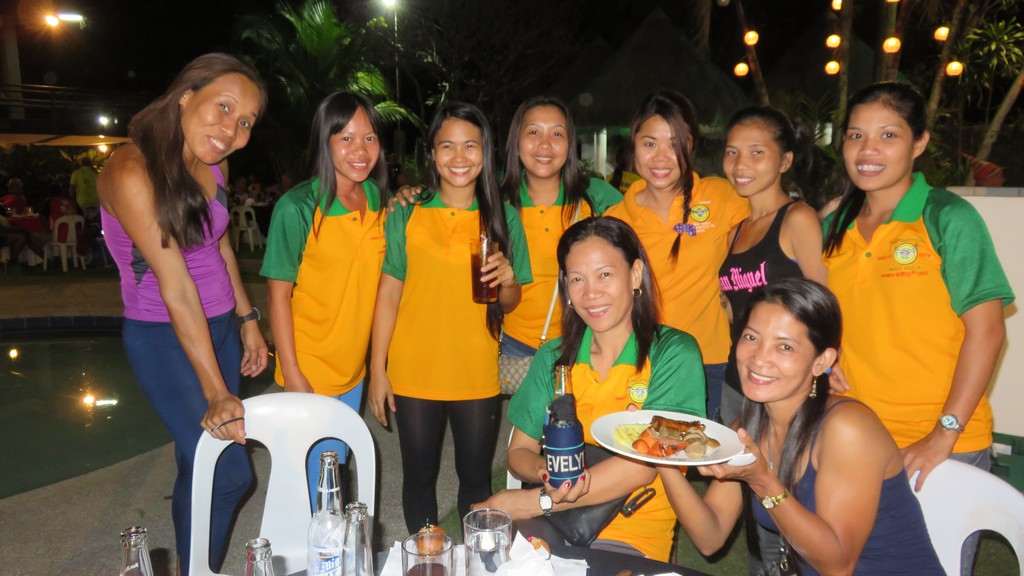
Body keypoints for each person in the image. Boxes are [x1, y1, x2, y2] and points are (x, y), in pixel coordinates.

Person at [97, 53, 269, 574]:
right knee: (231, 473)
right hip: (164, 337)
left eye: (246, 122)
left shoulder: (214, 162)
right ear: (185, 95)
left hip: (220, 326)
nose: (232, 131)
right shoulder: (130, 171)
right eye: (224, 108)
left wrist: (247, 319)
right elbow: (175, 287)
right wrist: (216, 391)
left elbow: (219, 246)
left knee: (195, 461)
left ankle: (190, 561)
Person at [659, 278, 944, 575]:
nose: (759, 358)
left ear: (822, 362)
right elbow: (710, 537)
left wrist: (762, 480)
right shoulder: (748, 427)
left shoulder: (848, 429)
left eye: (784, 347)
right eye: (751, 337)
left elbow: (837, 566)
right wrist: (661, 457)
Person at [475, 216, 705, 561]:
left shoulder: (673, 353)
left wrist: (534, 501)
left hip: (632, 534)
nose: (591, 293)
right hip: (550, 526)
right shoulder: (554, 356)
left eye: (605, 275)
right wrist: (545, 472)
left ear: (635, 274)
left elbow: (642, 466)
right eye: (577, 279)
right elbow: (519, 450)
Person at [823, 82, 1014, 486]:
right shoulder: (831, 227)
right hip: (850, 433)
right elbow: (810, 313)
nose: (867, 150)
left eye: (888, 135)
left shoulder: (948, 217)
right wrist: (823, 357)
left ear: (919, 143)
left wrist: (944, 433)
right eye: (856, 136)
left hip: (940, 446)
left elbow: (988, 332)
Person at [369, 102, 532, 532]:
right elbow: (389, 292)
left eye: (470, 146)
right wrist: (377, 369)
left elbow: (510, 302)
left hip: (475, 366)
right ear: (432, 153)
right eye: (447, 146)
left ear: (486, 153)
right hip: (413, 366)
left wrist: (508, 279)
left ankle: (479, 557)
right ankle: (428, 560)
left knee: (475, 478)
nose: (459, 157)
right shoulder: (407, 210)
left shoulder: (504, 217)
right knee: (419, 476)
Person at [260, 91, 389, 508]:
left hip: (353, 371)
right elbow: (278, 298)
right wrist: (293, 375)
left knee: (334, 471)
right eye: (346, 138)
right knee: (315, 485)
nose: (360, 150)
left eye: (369, 138)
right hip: (310, 370)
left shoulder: (378, 200)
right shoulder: (297, 207)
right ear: (325, 140)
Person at [605, 90, 749, 421]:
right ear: (633, 146)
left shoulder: (722, 196)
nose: (661, 157)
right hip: (642, 364)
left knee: (711, 450)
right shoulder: (616, 219)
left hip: (709, 362)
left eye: (674, 144)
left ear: (692, 145)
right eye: (649, 143)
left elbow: (764, 244)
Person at [718, 105, 828, 428]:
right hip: (738, 378)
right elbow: (737, 309)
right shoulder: (734, 233)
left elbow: (825, 304)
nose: (740, 164)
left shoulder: (797, 220)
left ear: (785, 161)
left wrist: (828, 369)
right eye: (732, 152)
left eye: (757, 152)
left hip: (786, 382)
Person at [499, 96, 622, 360]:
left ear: (569, 144)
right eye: (533, 132)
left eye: (557, 133)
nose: (545, 144)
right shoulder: (496, 202)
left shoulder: (598, 197)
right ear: (516, 141)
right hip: (512, 347)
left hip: (586, 347)